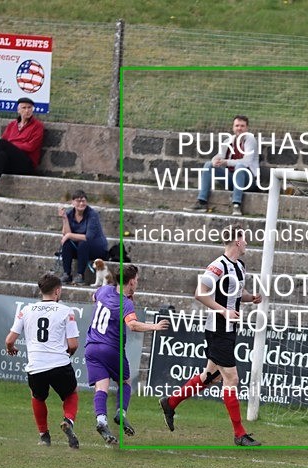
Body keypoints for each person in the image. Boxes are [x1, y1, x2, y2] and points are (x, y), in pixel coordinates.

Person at [159, 225, 263, 446]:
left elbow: (236, 294)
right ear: (237, 241)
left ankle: (170, 402)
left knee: (210, 376)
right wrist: (223, 310)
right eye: (244, 238)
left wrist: (251, 297)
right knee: (232, 379)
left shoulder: (240, 266)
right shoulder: (217, 266)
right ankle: (239, 434)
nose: (246, 242)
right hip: (218, 329)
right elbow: (200, 293)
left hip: (229, 329)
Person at [85, 264, 169, 444]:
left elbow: (94, 297)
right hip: (111, 348)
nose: (137, 283)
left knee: (101, 387)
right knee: (125, 382)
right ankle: (120, 414)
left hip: (92, 347)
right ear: (131, 282)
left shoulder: (104, 289)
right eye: (136, 281)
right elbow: (132, 325)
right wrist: (154, 326)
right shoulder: (126, 303)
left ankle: (101, 420)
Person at [4, 273, 81, 449]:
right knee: (71, 393)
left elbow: (9, 340)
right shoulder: (66, 311)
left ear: (41, 290)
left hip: (36, 366)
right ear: (58, 291)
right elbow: (73, 344)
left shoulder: (26, 310)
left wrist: (10, 349)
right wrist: (68, 354)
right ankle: (68, 420)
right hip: (59, 364)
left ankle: (44, 436)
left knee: (37, 397)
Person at [186, 115, 259, 217]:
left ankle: (236, 205)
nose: (239, 128)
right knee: (209, 165)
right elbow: (219, 156)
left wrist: (226, 162)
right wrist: (215, 161)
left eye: (242, 126)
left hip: (248, 181)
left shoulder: (250, 140)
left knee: (240, 167)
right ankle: (202, 202)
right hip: (232, 180)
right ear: (233, 127)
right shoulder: (228, 141)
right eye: (237, 125)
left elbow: (246, 162)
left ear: (247, 128)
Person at [58, 189, 109, 285]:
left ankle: (80, 274)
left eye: (83, 201)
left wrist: (69, 235)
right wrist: (64, 219)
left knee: (83, 243)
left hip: (96, 248)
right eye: (78, 201)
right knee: (67, 244)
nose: (81, 204)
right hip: (79, 248)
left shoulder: (92, 215)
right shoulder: (69, 213)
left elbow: (88, 237)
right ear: (73, 202)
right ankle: (67, 274)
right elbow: (66, 233)